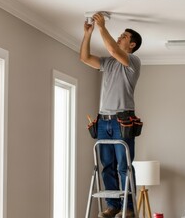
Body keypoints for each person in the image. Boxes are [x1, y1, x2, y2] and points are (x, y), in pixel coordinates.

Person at [80, 12, 142, 218]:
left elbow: (113, 49)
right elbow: (85, 58)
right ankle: (113, 205)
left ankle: (129, 208)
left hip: (122, 121)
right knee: (107, 166)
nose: (120, 37)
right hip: (103, 120)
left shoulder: (132, 61)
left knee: (124, 166)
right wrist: (88, 34)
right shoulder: (108, 63)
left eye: (124, 36)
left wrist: (102, 27)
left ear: (132, 45)